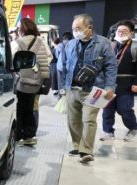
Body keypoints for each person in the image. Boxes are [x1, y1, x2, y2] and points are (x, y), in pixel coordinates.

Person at [58, 14, 117, 164]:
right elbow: (63, 66)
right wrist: (63, 87)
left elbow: (111, 66)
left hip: (94, 90)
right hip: (72, 88)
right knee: (73, 120)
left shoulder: (103, 43)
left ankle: (86, 151)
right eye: (73, 28)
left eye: (78, 28)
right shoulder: (70, 44)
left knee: (89, 119)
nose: (75, 31)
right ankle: (77, 146)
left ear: (89, 27)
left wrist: (110, 87)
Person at [14, 18, 52, 146]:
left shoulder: (18, 42)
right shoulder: (41, 41)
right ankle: (30, 135)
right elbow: (49, 57)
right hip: (36, 81)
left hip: (22, 81)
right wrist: (37, 70)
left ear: (22, 29)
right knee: (31, 107)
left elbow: (12, 60)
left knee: (20, 108)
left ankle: (19, 135)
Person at [100, 20, 137, 142]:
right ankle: (108, 131)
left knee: (124, 109)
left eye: (124, 31)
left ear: (131, 33)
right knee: (107, 109)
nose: (121, 33)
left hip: (127, 84)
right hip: (109, 83)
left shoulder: (135, 47)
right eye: (119, 31)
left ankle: (133, 127)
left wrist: (136, 83)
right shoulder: (110, 46)